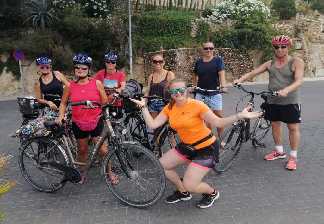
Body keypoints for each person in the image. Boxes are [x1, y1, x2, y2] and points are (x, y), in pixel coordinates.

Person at [131, 79, 261, 209]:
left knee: (190, 184)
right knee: (161, 166)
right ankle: (183, 192)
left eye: (181, 90)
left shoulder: (197, 105)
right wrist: (143, 107)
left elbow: (218, 123)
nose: (178, 93)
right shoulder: (169, 108)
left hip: (206, 148)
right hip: (187, 146)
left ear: (186, 91)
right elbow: (152, 124)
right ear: (170, 93)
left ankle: (212, 193)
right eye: (174, 91)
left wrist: (239, 115)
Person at [234, 35, 304, 171]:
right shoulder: (270, 63)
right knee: (275, 125)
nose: (280, 49)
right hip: (272, 100)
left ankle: (293, 157)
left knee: (293, 128)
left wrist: (286, 90)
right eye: (276, 47)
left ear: (288, 47)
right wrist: (240, 79)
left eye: (283, 46)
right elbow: (254, 72)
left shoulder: (296, 62)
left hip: (290, 101)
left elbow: (299, 80)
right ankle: (279, 152)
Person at [57, 53, 117, 184]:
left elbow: (104, 101)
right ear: (74, 69)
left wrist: (111, 99)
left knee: (103, 150)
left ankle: (109, 172)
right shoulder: (69, 86)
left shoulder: (97, 84)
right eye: (77, 67)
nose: (80, 70)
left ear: (88, 69)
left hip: (96, 121)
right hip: (78, 123)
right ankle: (81, 173)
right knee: (82, 150)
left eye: (84, 68)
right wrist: (60, 116)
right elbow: (63, 103)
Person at [193, 41, 227, 137]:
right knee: (204, 118)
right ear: (202, 50)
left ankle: (220, 138)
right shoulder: (198, 62)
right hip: (200, 93)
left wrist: (223, 86)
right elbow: (195, 74)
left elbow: (222, 74)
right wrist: (194, 86)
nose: (209, 50)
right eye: (206, 48)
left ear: (213, 49)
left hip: (214, 93)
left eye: (211, 48)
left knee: (218, 117)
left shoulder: (218, 60)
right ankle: (209, 139)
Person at [146, 54, 175, 118]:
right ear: (152, 63)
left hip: (165, 104)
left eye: (160, 61)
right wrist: (143, 102)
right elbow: (148, 90)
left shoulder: (169, 74)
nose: (157, 63)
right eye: (155, 62)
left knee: (166, 126)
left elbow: (174, 89)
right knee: (155, 126)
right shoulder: (151, 76)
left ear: (164, 62)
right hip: (152, 104)